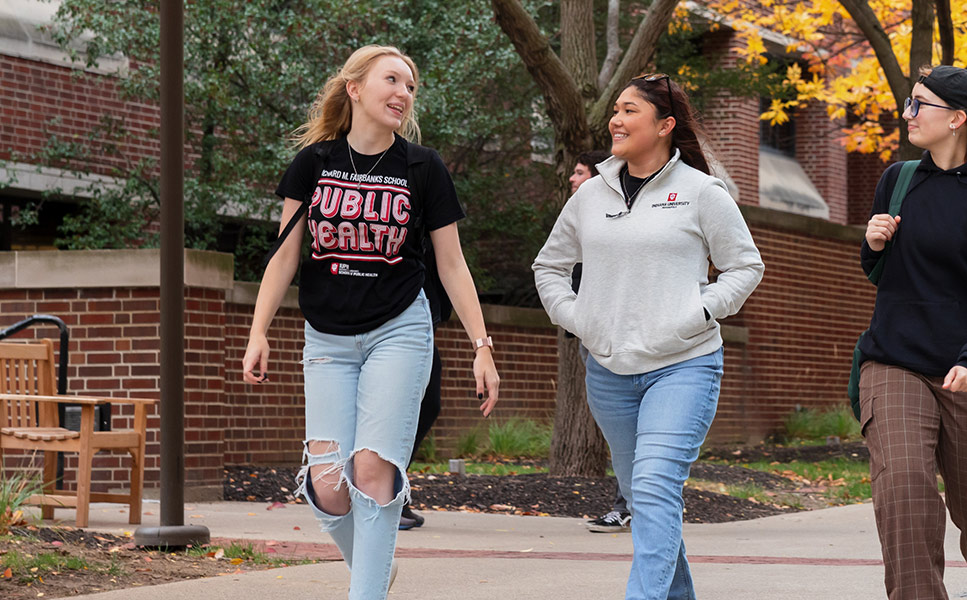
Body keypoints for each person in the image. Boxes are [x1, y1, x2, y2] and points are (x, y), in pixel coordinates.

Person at [241, 45, 501, 599]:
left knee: (371, 470)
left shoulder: (422, 167)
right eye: (392, 80)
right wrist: (258, 331)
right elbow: (286, 254)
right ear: (355, 89)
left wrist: (482, 345)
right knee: (329, 485)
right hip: (327, 337)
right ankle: (374, 571)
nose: (404, 93)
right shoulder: (314, 164)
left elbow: (452, 264)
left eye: (410, 86)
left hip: (399, 330)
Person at [532, 73, 764, 600]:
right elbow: (549, 266)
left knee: (656, 487)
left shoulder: (702, 192)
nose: (615, 119)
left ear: (664, 126)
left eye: (629, 110)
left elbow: (744, 267)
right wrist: (580, 318)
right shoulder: (590, 195)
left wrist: (697, 313)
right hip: (609, 372)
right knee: (646, 496)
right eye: (615, 109)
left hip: (684, 365)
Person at [855, 65, 967, 600]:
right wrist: (875, 244)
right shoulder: (898, 180)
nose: (907, 113)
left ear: (957, 118)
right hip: (895, 360)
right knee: (903, 487)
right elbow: (881, 274)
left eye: (919, 104)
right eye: (909, 103)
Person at [564, 149, 637, 534]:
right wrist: (573, 316)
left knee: (635, 432)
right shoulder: (579, 217)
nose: (572, 180)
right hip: (592, 333)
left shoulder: (619, 216)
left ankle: (633, 504)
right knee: (619, 431)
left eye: (579, 173)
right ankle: (632, 502)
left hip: (627, 337)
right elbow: (551, 267)